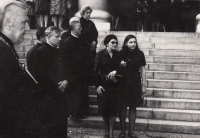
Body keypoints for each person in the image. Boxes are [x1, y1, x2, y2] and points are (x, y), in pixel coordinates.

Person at [0, 0, 38, 137]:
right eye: (24, 22)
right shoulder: (2, 51)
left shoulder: (6, 46)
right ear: (8, 23)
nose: (27, 28)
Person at [33, 26, 68, 137]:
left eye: (60, 36)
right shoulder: (40, 52)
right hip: (49, 96)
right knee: (50, 127)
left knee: (61, 125)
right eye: (56, 36)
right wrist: (57, 86)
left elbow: (66, 70)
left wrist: (66, 81)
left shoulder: (59, 51)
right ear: (48, 37)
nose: (60, 39)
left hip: (61, 95)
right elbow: (41, 74)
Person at [94, 34, 121, 138]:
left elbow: (121, 68)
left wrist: (116, 71)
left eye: (116, 43)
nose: (114, 44)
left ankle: (111, 132)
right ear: (106, 44)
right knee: (105, 109)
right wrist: (97, 86)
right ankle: (106, 130)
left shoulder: (118, 55)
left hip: (114, 84)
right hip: (103, 85)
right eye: (112, 42)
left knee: (113, 109)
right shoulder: (100, 55)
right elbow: (95, 71)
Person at [119, 35, 146, 138]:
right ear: (126, 43)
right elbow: (115, 66)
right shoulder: (121, 54)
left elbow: (143, 69)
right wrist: (120, 65)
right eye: (130, 42)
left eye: (134, 42)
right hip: (123, 82)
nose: (133, 44)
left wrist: (144, 84)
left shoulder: (140, 54)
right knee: (122, 108)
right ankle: (122, 132)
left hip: (135, 82)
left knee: (133, 107)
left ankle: (131, 132)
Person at [60, 20, 88, 119]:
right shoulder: (67, 42)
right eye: (78, 28)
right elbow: (64, 61)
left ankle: (80, 113)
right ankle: (73, 114)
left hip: (81, 73)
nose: (81, 29)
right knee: (74, 95)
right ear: (72, 29)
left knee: (81, 94)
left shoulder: (82, 41)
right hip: (72, 73)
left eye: (81, 27)